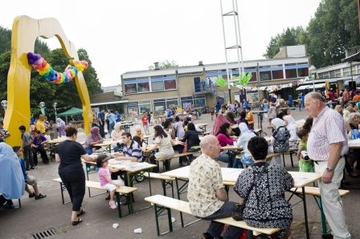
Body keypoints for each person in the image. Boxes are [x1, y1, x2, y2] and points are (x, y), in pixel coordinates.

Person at [305, 92, 351, 239]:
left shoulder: (330, 116)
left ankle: (342, 236)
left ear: (317, 103)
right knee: (329, 201)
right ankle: (337, 232)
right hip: (323, 164)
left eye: (307, 104)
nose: (306, 108)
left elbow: (336, 144)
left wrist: (329, 169)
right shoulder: (319, 117)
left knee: (331, 200)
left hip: (329, 164)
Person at [234, 136, 294, 239]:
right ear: (266, 151)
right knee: (287, 225)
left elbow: (240, 192)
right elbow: (289, 184)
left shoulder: (245, 173)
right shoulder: (277, 168)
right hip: (279, 215)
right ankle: (279, 236)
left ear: (251, 153)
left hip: (252, 217)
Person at [187, 135, 242, 239]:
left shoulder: (194, 162)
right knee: (240, 209)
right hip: (207, 210)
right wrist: (225, 201)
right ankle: (227, 237)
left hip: (194, 206)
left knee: (221, 206)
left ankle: (210, 235)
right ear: (210, 147)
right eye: (218, 144)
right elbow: (221, 195)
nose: (220, 147)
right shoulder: (213, 165)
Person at [55, 126, 96, 226]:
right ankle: (74, 217)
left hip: (63, 171)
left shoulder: (59, 146)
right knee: (78, 193)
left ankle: (78, 210)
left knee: (72, 192)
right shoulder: (76, 145)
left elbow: (57, 160)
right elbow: (87, 158)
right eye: (76, 135)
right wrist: (95, 157)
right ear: (74, 135)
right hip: (75, 171)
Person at [0, 142, 25, 209]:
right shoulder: (14, 157)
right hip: (16, 181)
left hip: (5, 183)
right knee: (7, 189)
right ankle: (9, 203)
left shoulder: (2, 159)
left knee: (4, 191)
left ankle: (7, 203)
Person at [344, 112, 360, 177]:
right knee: (357, 153)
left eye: (358, 117)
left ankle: (357, 168)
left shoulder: (358, 125)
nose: (356, 119)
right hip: (350, 147)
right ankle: (353, 169)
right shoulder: (349, 125)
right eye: (354, 118)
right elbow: (353, 135)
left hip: (356, 145)